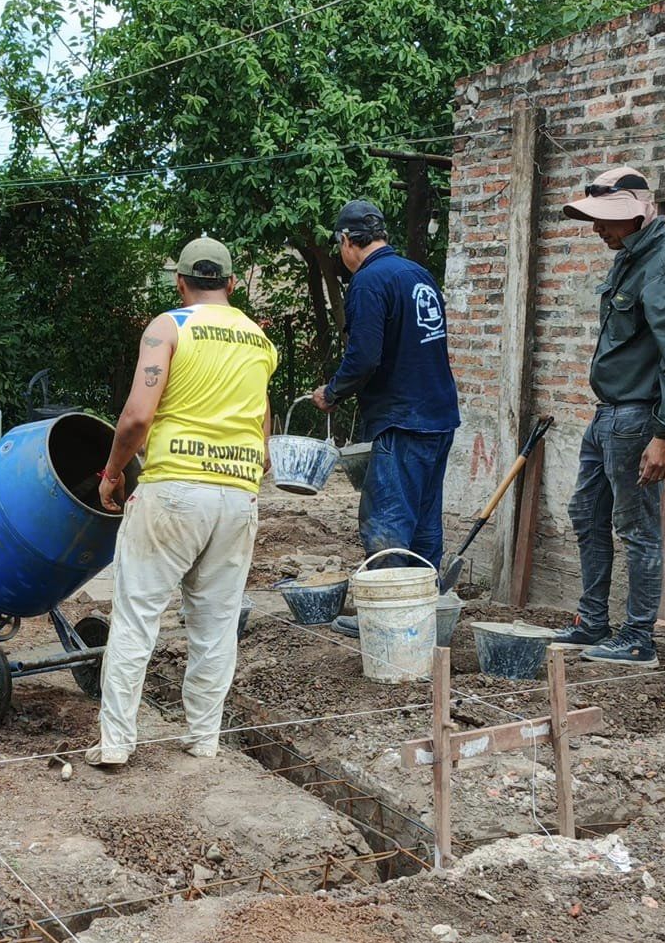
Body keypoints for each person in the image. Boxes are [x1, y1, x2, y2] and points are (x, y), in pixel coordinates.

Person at [90, 237, 276, 768]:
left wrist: (111, 474)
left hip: (172, 492)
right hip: (238, 497)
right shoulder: (258, 342)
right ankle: (202, 740)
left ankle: (116, 744)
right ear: (232, 284)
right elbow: (262, 434)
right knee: (216, 624)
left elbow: (136, 418)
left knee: (136, 617)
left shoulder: (168, 326)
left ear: (180, 283)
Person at [551, 166, 665, 668]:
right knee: (586, 514)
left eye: (609, 220)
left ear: (642, 213)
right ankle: (592, 621)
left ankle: (638, 638)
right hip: (608, 416)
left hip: (638, 418)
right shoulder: (631, 257)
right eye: (597, 219)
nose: (600, 229)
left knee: (636, 527)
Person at [311, 199, 460, 633]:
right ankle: (421, 612)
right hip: (439, 414)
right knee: (424, 521)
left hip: (403, 418)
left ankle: (387, 617)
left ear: (345, 240)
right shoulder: (417, 275)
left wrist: (333, 392)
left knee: (388, 521)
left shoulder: (369, 282)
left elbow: (364, 357)